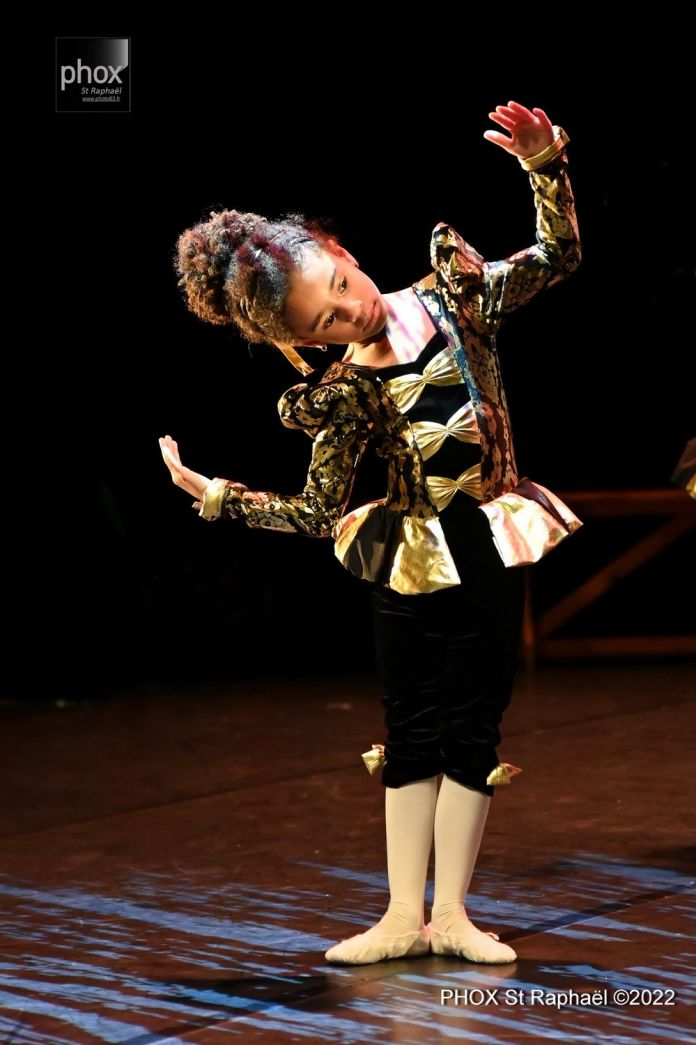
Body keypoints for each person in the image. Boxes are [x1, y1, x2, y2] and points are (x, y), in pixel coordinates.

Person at [160, 100, 582, 966]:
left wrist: (545, 168)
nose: (347, 313)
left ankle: (452, 913)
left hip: (485, 543)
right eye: (322, 322)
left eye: (340, 288)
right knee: (411, 728)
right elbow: (318, 512)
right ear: (299, 342)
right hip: (406, 564)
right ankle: (399, 915)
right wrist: (220, 497)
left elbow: (559, 255)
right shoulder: (347, 391)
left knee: (473, 726)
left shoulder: (456, 296)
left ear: (343, 253)